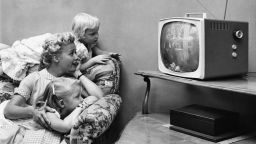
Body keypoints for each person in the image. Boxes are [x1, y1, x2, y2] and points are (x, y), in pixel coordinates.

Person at [4, 32, 104, 129]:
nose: (77, 57)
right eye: (71, 53)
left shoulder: (72, 81)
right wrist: (33, 111)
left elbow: (101, 99)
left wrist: (78, 74)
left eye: (76, 52)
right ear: (56, 58)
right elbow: (9, 110)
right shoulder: (34, 79)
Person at [34, 77, 99, 134]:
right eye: (77, 97)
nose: (82, 99)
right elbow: (65, 127)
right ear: (61, 103)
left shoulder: (71, 110)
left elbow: (96, 98)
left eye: (81, 96)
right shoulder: (49, 114)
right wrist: (82, 106)